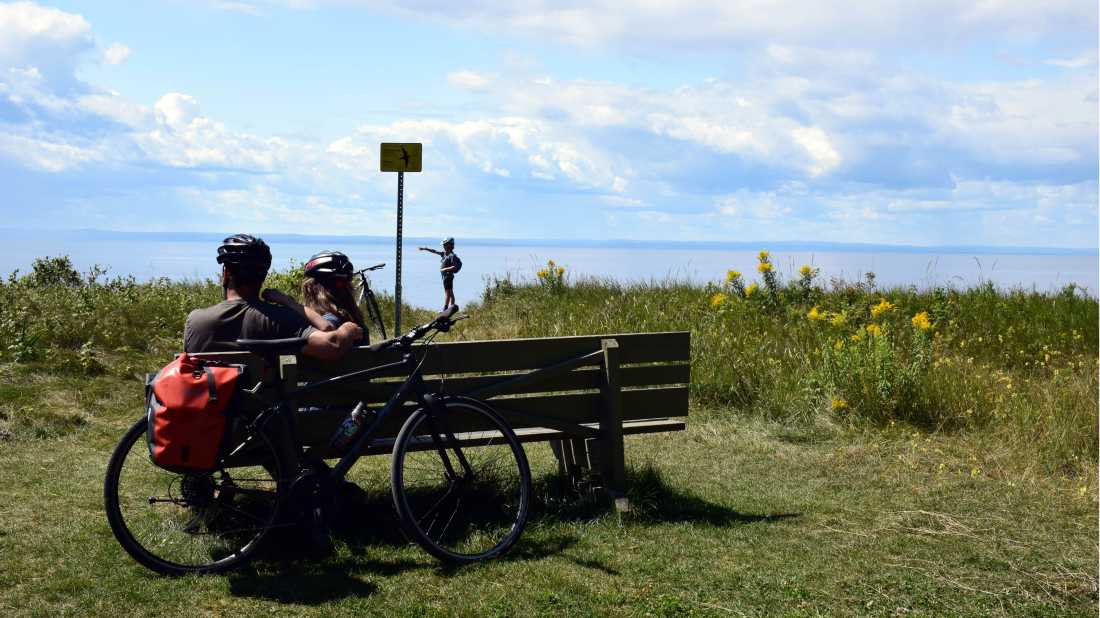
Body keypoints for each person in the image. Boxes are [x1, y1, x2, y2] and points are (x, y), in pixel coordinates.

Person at [183, 234, 362, 358]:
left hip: (207, 412)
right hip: (264, 411)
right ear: (263, 276)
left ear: (226, 273)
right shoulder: (279, 319)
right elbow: (332, 345)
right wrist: (347, 328)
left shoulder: (195, 321)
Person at [262, 250, 369, 343]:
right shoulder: (356, 322)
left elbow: (328, 329)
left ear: (311, 289)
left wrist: (287, 302)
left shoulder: (330, 321)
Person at [418, 237, 461, 310]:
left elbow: (455, 266)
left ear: (449, 245)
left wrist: (444, 269)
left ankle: (446, 309)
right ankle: (451, 308)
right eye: (443, 245)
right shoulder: (445, 254)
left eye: (445, 245)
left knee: (448, 293)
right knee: (450, 293)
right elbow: (435, 251)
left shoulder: (451, 256)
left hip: (448, 276)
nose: (443, 246)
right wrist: (425, 249)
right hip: (446, 276)